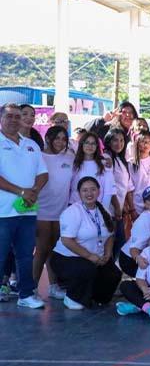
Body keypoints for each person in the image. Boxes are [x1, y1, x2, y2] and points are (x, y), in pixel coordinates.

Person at [0, 104, 47, 308]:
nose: (14, 120)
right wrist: (21, 191)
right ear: (1, 118)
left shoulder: (32, 145)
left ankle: (26, 295)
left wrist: (33, 191)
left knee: (26, 254)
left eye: (17, 116)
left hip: (27, 210)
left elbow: (43, 174)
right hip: (3, 212)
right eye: (9, 116)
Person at [50, 177, 122, 310]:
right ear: (79, 193)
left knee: (114, 274)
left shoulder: (104, 210)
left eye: (93, 189)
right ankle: (72, 297)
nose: (89, 193)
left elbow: (110, 235)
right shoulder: (72, 212)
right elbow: (67, 240)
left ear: (99, 191)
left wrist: (107, 254)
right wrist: (89, 256)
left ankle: (94, 297)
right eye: (85, 190)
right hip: (66, 258)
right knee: (87, 269)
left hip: (96, 257)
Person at [34, 126, 74, 300]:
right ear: (48, 138)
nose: (60, 142)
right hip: (40, 209)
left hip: (61, 211)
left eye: (64, 139)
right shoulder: (38, 156)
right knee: (42, 249)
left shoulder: (70, 156)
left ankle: (53, 286)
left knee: (54, 249)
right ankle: (31, 289)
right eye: (57, 138)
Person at [70, 131, 119, 218]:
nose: (90, 146)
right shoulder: (74, 164)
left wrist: (102, 212)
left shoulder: (104, 164)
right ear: (82, 144)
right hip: (76, 210)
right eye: (87, 143)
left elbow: (108, 191)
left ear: (97, 146)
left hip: (97, 210)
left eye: (93, 143)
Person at [104, 128, 134, 258]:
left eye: (122, 140)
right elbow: (109, 186)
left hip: (119, 211)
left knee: (119, 243)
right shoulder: (107, 158)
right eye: (115, 140)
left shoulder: (120, 160)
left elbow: (126, 187)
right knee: (112, 245)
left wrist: (128, 207)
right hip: (110, 210)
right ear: (108, 141)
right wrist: (117, 207)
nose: (119, 143)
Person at [129, 130, 150, 213]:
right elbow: (129, 189)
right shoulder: (131, 163)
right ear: (137, 143)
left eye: (149, 142)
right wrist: (132, 209)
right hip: (138, 205)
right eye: (143, 141)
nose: (146, 144)